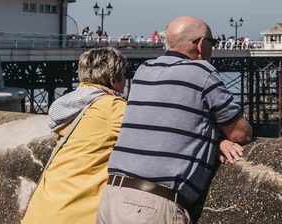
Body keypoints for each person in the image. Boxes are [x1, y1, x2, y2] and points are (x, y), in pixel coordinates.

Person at [97, 16, 253, 224]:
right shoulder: (203, 72)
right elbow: (241, 133)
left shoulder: (144, 71)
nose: (213, 49)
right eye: (212, 43)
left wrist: (210, 138)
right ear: (200, 44)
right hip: (151, 206)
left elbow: (165, 122)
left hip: (111, 198)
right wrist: (217, 138)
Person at [22, 47, 129, 223]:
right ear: (112, 79)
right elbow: (148, 136)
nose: (125, 81)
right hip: (75, 213)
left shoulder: (71, 105)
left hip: (42, 209)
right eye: (124, 75)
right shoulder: (111, 106)